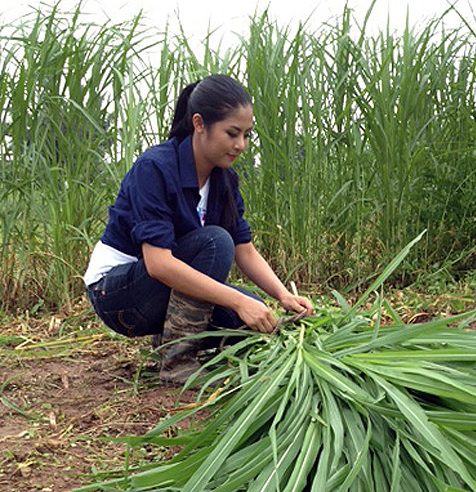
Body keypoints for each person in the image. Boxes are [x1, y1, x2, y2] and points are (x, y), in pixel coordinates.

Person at [83, 74, 314, 385]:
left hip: (158, 288)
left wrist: (284, 296)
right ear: (199, 124)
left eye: (246, 135)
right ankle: (177, 363)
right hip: (116, 294)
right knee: (216, 244)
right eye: (232, 133)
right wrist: (236, 299)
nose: (241, 145)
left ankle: (170, 341)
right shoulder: (155, 168)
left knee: (250, 321)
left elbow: (245, 249)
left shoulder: (224, 180)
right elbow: (159, 264)